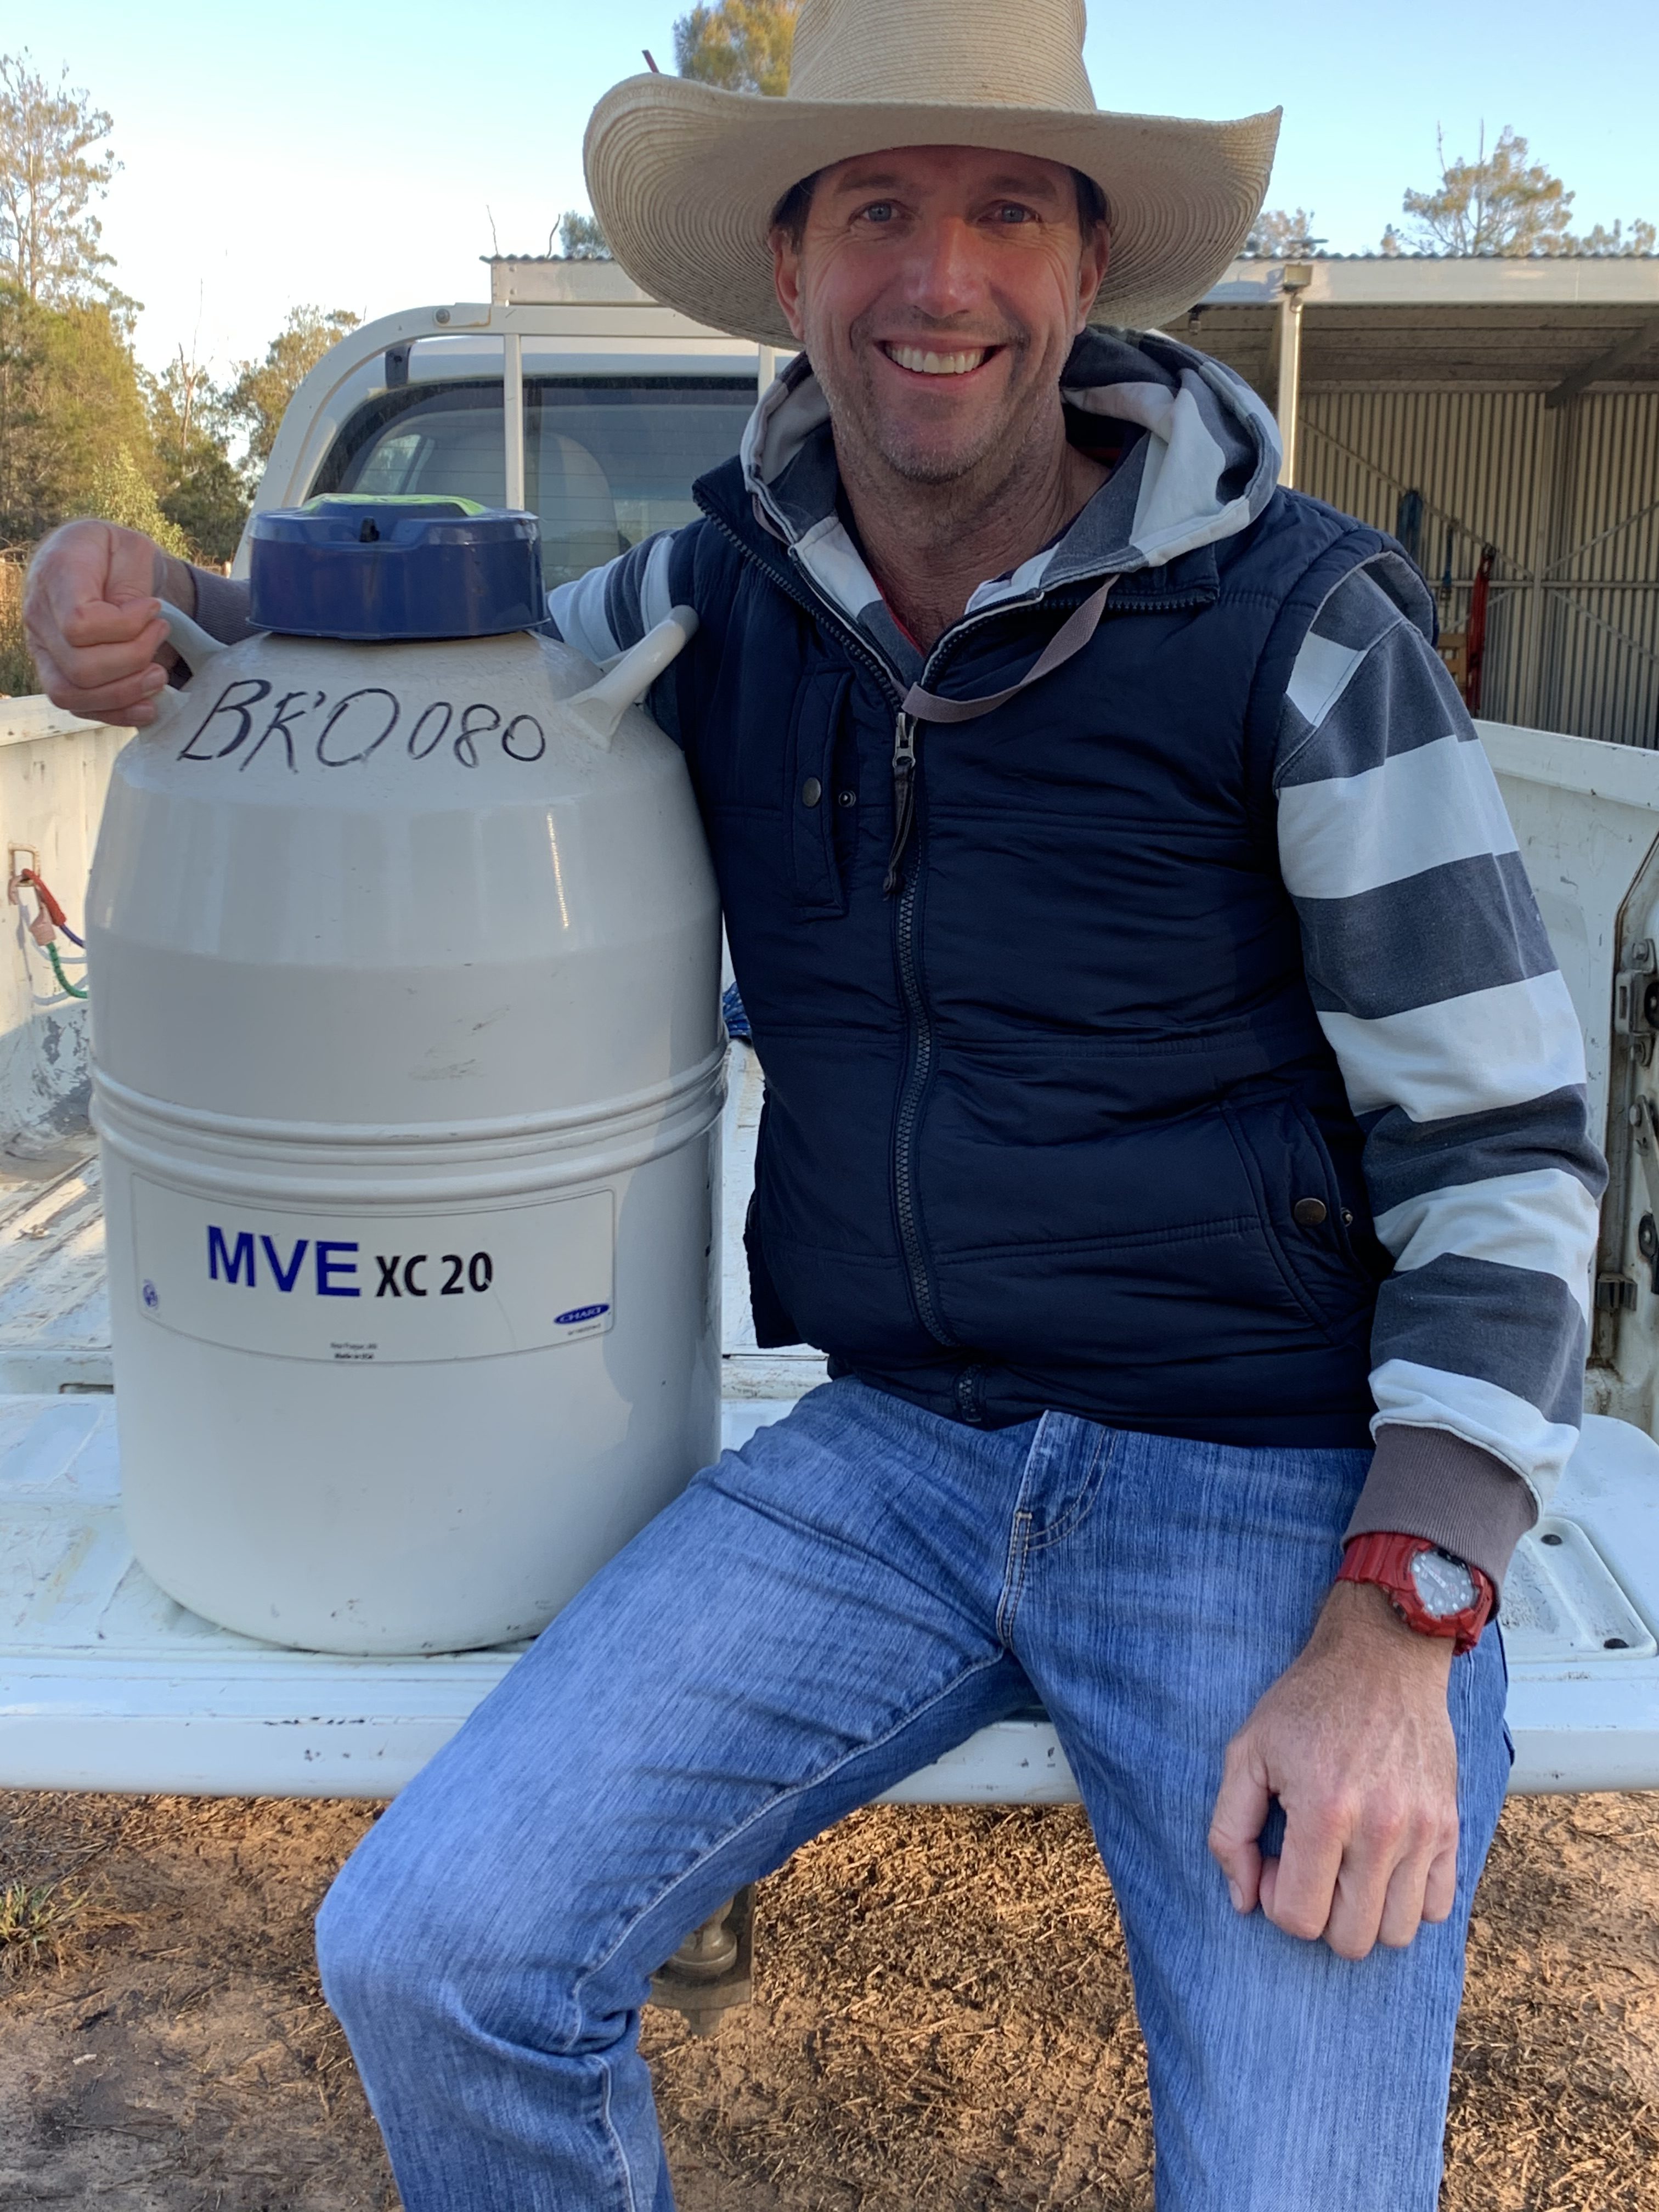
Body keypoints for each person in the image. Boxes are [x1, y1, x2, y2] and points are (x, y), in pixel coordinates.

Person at [26, 1, 1605, 2203]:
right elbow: (426, 707)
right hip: (889, 1454)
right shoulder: (706, 601)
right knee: (432, 1949)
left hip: (1260, 1483)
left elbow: (1510, 1159)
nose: (937, 276)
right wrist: (144, 614)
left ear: (1084, 271)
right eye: (878, 210)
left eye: (1004, 214)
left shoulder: (1307, 630)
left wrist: (1402, 1620)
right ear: (792, 271)